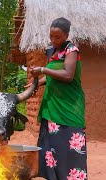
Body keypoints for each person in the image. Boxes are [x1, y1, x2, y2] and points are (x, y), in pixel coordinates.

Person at [30, 17, 87, 180]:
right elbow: (52, 77)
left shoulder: (72, 50)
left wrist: (42, 69)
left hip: (69, 107)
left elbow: (68, 75)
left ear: (66, 35)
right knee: (52, 150)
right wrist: (37, 84)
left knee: (69, 151)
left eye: (58, 37)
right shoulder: (51, 52)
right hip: (52, 108)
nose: (54, 40)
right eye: (51, 36)